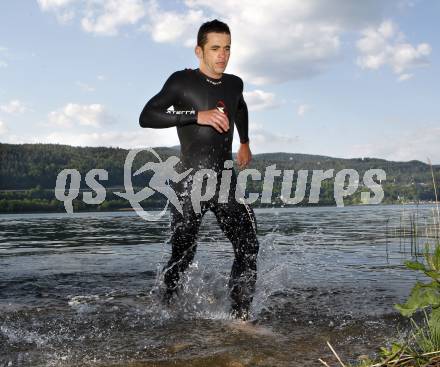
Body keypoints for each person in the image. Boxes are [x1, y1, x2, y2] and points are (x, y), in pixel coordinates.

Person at [139, 19, 259, 321]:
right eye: (215, 48)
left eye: (227, 48)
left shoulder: (234, 84)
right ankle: (166, 307)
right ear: (199, 50)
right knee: (183, 254)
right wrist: (197, 115)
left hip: (224, 180)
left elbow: (240, 107)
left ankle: (240, 318)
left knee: (249, 246)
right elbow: (147, 115)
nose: (223, 55)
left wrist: (244, 142)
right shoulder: (181, 81)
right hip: (189, 182)